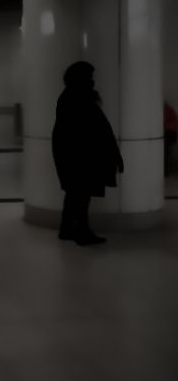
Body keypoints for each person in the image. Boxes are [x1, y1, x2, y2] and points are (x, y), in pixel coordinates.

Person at [52, 61, 124, 245]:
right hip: (81, 158)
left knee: (74, 194)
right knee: (81, 195)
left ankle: (67, 228)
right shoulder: (78, 98)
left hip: (73, 156)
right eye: (90, 77)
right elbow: (91, 130)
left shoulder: (70, 96)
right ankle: (81, 232)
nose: (92, 81)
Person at [164, 101, 177, 175]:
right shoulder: (170, 111)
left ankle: (166, 171)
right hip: (170, 135)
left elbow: (171, 124)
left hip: (168, 135)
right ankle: (166, 171)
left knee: (166, 154)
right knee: (167, 154)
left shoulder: (168, 111)